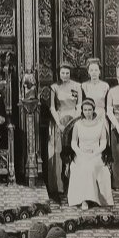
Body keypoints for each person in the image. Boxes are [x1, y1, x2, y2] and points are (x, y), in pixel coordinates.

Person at [67, 99, 113, 211]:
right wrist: (81, 153)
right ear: (82, 111)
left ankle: (90, 198)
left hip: (96, 154)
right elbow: (73, 143)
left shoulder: (100, 124)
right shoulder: (78, 124)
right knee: (83, 167)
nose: (87, 112)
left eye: (90, 110)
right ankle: (84, 199)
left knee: (91, 167)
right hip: (81, 153)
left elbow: (103, 143)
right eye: (85, 110)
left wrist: (94, 153)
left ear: (93, 110)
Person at [47, 63, 82, 199]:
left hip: (74, 119)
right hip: (59, 121)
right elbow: (52, 108)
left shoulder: (77, 86)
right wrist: (59, 123)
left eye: (67, 73)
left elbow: (79, 105)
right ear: (59, 74)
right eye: (63, 73)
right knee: (59, 152)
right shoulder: (54, 87)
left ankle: (75, 185)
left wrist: (74, 120)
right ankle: (58, 186)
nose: (65, 76)